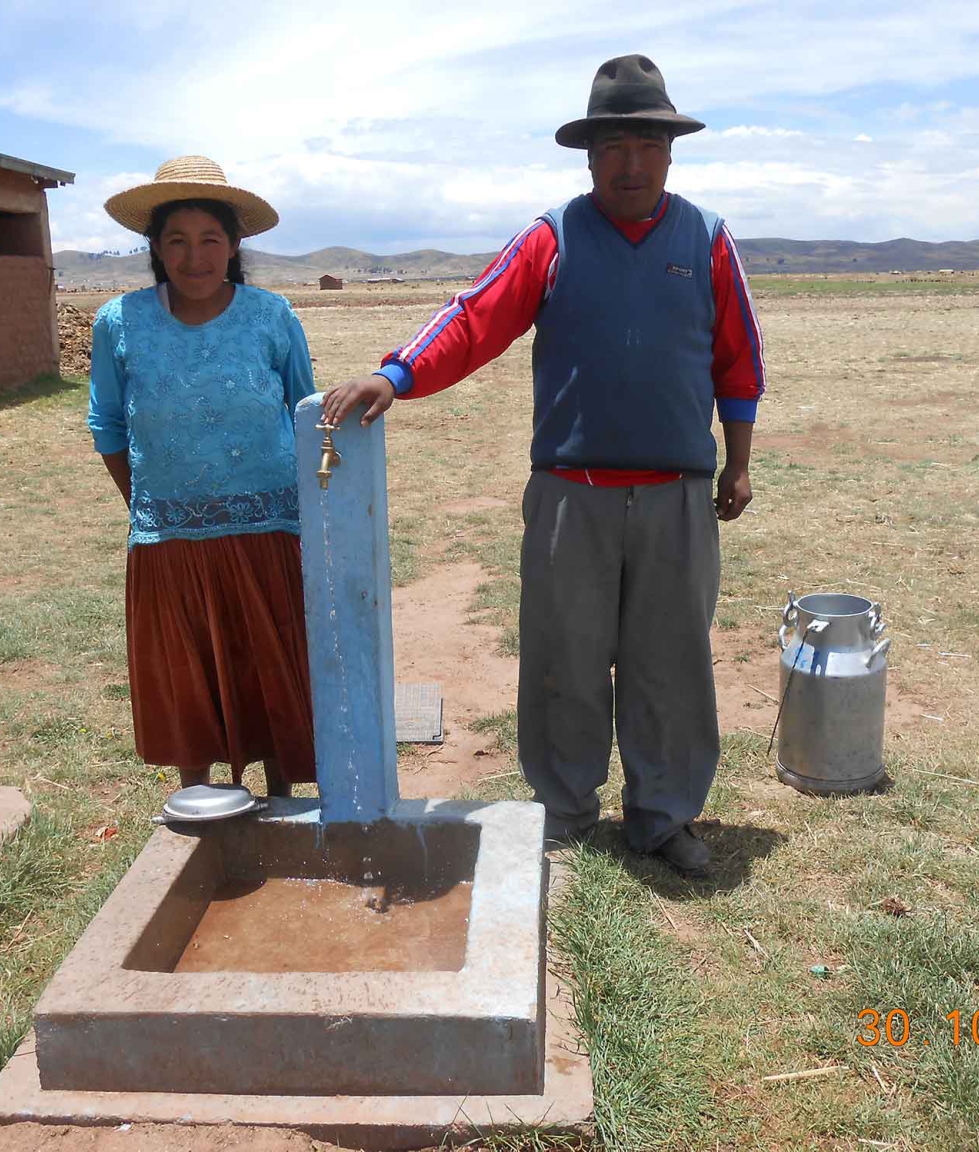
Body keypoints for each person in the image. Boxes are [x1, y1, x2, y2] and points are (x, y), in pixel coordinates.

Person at [322, 56, 765, 873]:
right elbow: (475, 316)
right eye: (613, 148)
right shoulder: (552, 237)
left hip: (675, 495)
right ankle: (563, 811)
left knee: (670, 664)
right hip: (571, 495)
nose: (631, 164)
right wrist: (398, 373)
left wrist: (737, 463)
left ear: (671, 154)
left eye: (648, 146)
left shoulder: (706, 239)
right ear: (588, 157)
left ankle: (663, 816)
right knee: (564, 658)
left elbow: (739, 360)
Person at [89, 156, 316, 797]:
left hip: (270, 530)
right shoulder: (119, 322)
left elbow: (305, 411)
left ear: (234, 245)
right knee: (186, 679)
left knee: (272, 672)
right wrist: (147, 505)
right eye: (177, 241)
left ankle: (281, 805)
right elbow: (107, 424)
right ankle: (196, 807)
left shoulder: (272, 316)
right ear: (156, 249)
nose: (195, 258)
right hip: (170, 538)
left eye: (210, 239)